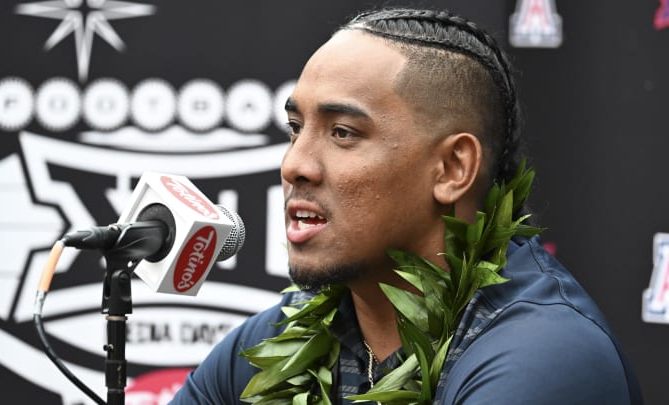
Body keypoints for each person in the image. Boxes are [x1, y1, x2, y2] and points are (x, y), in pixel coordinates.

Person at [170, 7, 643, 404]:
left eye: (343, 133)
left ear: (453, 169)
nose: (295, 165)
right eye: (296, 128)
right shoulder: (275, 339)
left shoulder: (546, 355)